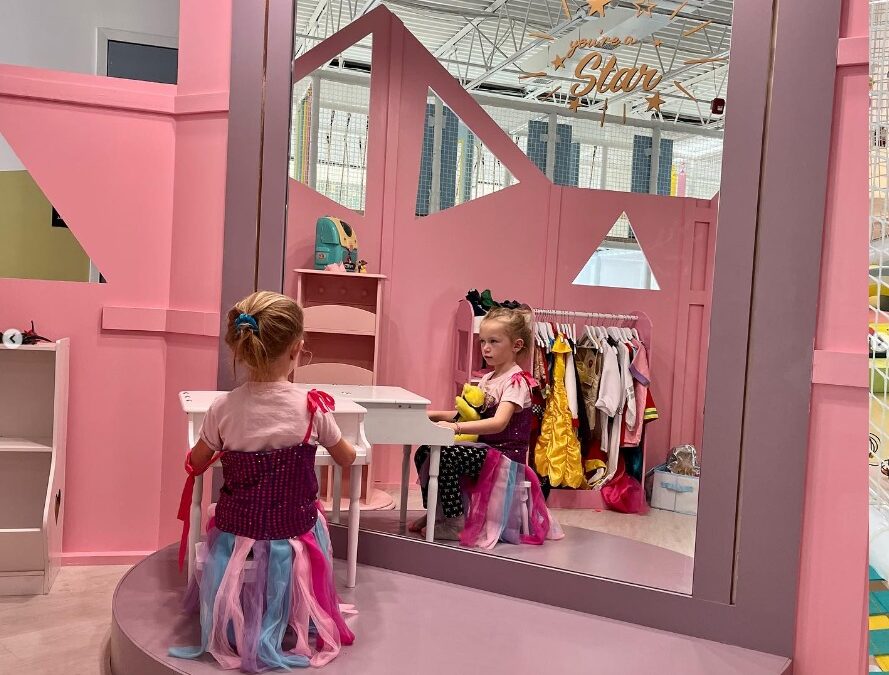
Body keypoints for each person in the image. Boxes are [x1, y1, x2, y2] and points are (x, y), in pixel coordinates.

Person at [170, 291, 356, 672]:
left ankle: (237, 618)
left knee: (220, 512)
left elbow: (197, 462)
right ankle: (292, 614)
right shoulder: (311, 408)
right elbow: (346, 457)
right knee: (315, 515)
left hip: (239, 527)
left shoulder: (222, 408)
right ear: (297, 348)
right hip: (294, 526)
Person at [414, 306, 537, 540]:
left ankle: (454, 522)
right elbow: (473, 415)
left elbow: (498, 423)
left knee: (447, 457)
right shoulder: (488, 378)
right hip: (486, 450)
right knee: (425, 452)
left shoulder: (516, 382)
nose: (486, 348)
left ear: (516, 345)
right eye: (483, 341)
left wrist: (456, 428)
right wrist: (434, 415)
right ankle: (437, 512)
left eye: (494, 341)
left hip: (505, 456)